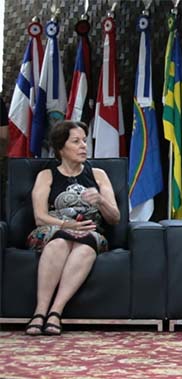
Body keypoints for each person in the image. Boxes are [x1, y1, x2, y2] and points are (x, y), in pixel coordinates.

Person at [25, 121, 120, 335]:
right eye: (76, 142)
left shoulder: (98, 175)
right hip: (52, 231)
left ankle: (55, 312)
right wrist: (67, 225)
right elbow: (40, 217)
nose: (83, 146)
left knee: (85, 245)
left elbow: (115, 218)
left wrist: (101, 201)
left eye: (85, 141)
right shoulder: (46, 175)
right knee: (61, 241)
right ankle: (40, 312)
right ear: (61, 147)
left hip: (90, 234)